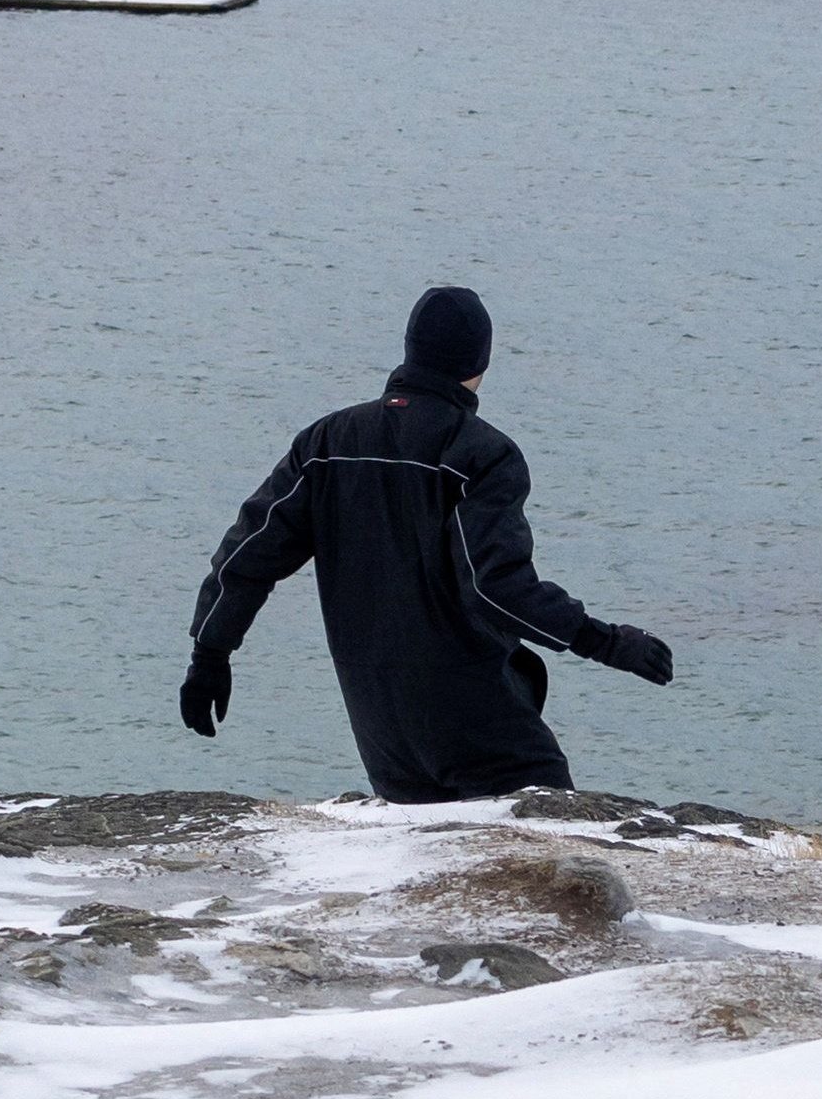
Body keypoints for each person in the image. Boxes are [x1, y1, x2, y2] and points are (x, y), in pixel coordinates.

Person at [183, 286, 673, 802]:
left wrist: (209, 656)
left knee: (432, 873)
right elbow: (493, 587)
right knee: (552, 859)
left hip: (382, 728)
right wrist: (608, 642)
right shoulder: (482, 452)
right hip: (481, 722)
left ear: (410, 348)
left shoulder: (325, 444)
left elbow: (245, 557)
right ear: (480, 360)